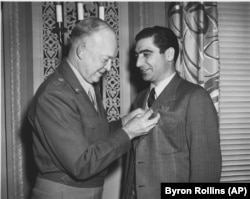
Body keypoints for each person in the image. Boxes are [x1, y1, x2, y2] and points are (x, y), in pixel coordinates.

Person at [28, 17, 160, 199]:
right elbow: (81, 165)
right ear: (81, 51)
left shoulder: (87, 85)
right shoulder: (55, 95)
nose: (109, 68)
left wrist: (123, 123)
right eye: (105, 59)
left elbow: (89, 137)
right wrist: (128, 133)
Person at [122, 26, 222, 199]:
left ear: (169, 54)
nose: (138, 63)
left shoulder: (195, 97)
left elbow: (206, 170)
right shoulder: (139, 99)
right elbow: (132, 163)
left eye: (146, 54)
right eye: (137, 56)